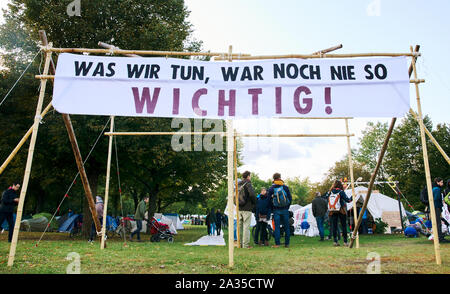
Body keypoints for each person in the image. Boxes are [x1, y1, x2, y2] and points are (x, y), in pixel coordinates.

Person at [268, 173, 292, 248]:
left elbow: (268, 200)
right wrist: (287, 207)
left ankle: (277, 244)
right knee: (287, 226)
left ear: (274, 179)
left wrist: (272, 209)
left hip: (276, 210)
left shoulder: (271, 188)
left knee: (277, 227)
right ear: (280, 178)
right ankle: (287, 243)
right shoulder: (285, 187)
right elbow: (290, 198)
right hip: (285, 209)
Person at [327, 180, 352, 247]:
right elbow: (348, 200)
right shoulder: (341, 192)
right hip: (341, 210)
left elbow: (326, 198)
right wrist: (353, 196)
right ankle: (345, 242)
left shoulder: (330, 192)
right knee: (343, 226)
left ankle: (335, 241)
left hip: (333, 210)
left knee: (334, 226)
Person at [238, 171, 257, 249]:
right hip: (247, 207)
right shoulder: (248, 184)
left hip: (239, 208)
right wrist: (255, 202)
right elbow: (252, 194)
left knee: (239, 227)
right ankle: (245, 245)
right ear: (248, 176)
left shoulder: (238, 184)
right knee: (246, 227)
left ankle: (239, 244)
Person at [432, 177, 447, 243]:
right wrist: (440, 207)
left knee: (438, 222)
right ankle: (439, 237)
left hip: (435, 207)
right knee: (438, 223)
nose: (442, 183)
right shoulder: (437, 189)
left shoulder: (434, 189)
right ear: (437, 182)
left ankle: (439, 236)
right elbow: (437, 199)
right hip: (437, 207)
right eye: (441, 182)